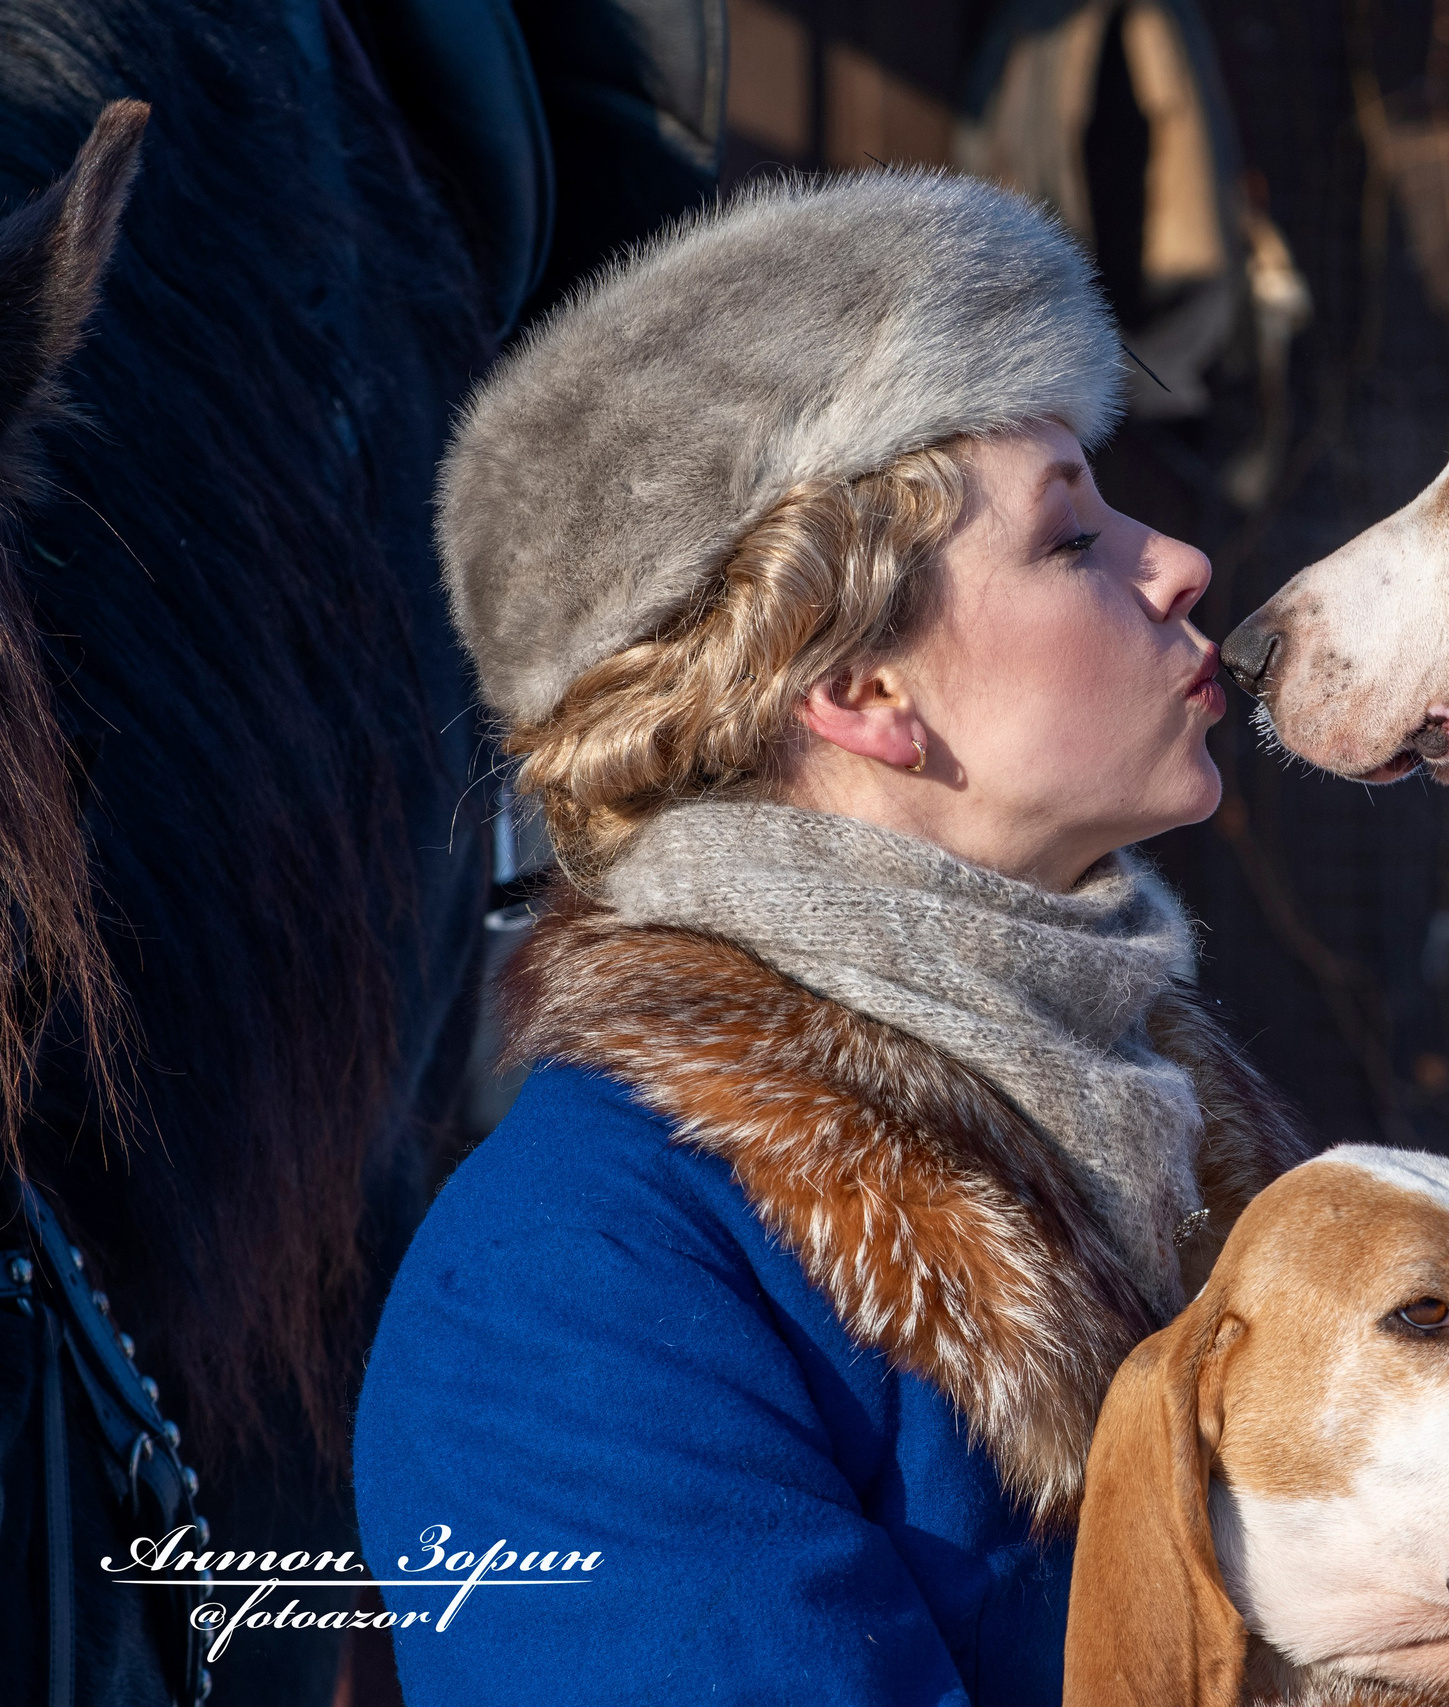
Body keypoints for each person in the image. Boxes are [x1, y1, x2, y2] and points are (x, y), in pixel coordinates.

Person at [352, 170, 1307, 1705]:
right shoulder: (571, 1278)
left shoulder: (1190, 1139)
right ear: (858, 685)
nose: (1177, 562)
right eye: (1072, 536)